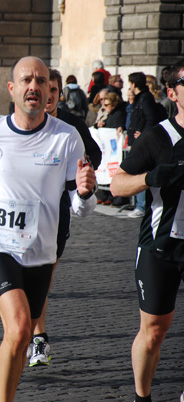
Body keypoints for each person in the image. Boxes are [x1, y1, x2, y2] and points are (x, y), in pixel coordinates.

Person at [0, 56, 97, 401]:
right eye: (26, 80)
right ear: (12, 89)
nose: (34, 87)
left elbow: (80, 209)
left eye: (41, 81)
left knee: (20, 336)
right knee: (21, 326)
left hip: (42, 251)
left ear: (50, 91)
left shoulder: (67, 138)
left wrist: (87, 193)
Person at [110, 59, 184, 402]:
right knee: (154, 330)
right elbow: (116, 185)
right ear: (172, 93)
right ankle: (143, 397)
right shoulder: (158, 137)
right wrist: (151, 178)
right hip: (161, 246)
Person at [25, 68, 101, 366]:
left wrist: (81, 174)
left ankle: (38, 337)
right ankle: (26, 332)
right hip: (22, 212)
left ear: (56, 93)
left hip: (57, 212)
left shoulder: (72, 126)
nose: (47, 95)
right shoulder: (22, 122)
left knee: (44, 276)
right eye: (45, 88)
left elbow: (93, 153)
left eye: (53, 90)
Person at [126, 72, 168, 218]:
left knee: (141, 174)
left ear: (133, 84)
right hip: (137, 141)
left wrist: (144, 135)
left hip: (143, 143)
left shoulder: (145, 98)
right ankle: (140, 205)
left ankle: (141, 206)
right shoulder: (140, 98)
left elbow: (151, 119)